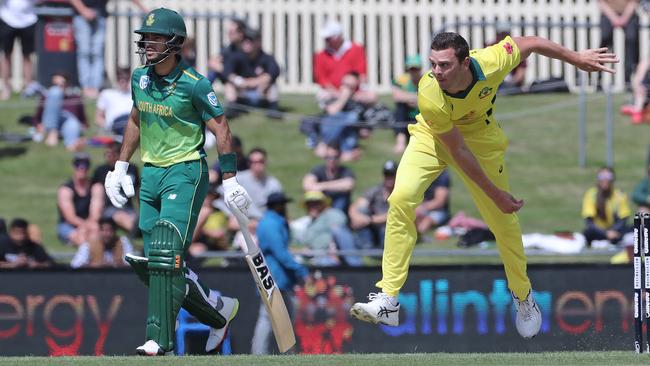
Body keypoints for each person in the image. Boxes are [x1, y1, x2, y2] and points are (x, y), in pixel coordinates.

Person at [349, 31, 618, 339]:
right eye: (433, 64)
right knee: (401, 198)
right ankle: (389, 298)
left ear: (466, 62)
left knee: (504, 221)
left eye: (445, 65)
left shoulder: (490, 61)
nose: (436, 72)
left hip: (481, 138)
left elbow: (530, 42)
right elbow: (457, 151)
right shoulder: (430, 93)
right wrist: (495, 193)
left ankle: (523, 296)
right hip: (433, 138)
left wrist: (577, 58)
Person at [103, 8, 253, 356]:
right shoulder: (140, 78)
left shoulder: (195, 84)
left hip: (185, 171)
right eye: (147, 38)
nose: (148, 44)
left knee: (166, 253)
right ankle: (217, 310)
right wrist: (121, 166)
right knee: (158, 264)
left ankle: (160, 340)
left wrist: (229, 180)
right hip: (151, 174)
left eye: (156, 38)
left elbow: (221, 128)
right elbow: (136, 120)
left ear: (175, 43)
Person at [251, 192, 308, 354]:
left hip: (275, 276)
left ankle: (284, 352)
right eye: (282, 204)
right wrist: (300, 270)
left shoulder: (270, 222)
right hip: (274, 277)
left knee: (277, 317)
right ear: (278, 206)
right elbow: (281, 252)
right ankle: (259, 354)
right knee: (268, 318)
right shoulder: (271, 223)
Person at [69, 0, 146, 98]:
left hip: (99, 16)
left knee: (97, 53)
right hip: (81, 17)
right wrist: (83, 10)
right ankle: (86, 87)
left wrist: (144, 9)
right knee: (84, 53)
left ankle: (95, 88)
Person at [223, 28, 281, 118]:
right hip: (241, 94)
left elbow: (274, 72)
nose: (247, 43)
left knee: (272, 84)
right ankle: (232, 108)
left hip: (261, 94)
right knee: (229, 85)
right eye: (245, 40)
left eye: (250, 40)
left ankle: (273, 110)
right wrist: (240, 81)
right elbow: (227, 73)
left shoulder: (266, 58)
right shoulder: (236, 57)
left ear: (258, 42)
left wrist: (253, 82)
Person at [294, 191, 360, 266]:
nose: (312, 206)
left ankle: (354, 265)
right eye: (309, 204)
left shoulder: (333, 214)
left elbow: (337, 231)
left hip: (331, 255)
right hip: (315, 257)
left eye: (316, 203)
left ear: (323, 204)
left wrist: (314, 248)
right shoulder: (309, 223)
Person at [91, 142, 139, 233]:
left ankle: (139, 230)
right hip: (109, 207)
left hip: (128, 207)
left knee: (135, 218)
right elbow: (95, 193)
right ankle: (136, 233)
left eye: (111, 154)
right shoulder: (101, 171)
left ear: (119, 154)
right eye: (106, 154)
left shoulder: (132, 169)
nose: (108, 157)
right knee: (121, 217)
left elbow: (137, 190)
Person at [57, 153, 103, 247]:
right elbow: (70, 217)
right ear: (74, 166)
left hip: (91, 224)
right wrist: (85, 227)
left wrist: (88, 226)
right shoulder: (65, 189)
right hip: (68, 225)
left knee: (95, 233)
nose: (82, 168)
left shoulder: (96, 187)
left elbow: (95, 214)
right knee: (82, 239)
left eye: (85, 165)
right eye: (78, 164)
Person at [348, 160, 397, 249]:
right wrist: (356, 217)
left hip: (389, 227)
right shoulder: (376, 191)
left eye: (392, 175)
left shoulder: (400, 193)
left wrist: (369, 220)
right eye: (387, 175)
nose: (389, 178)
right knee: (362, 210)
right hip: (372, 226)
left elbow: (393, 215)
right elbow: (355, 206)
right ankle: (366, 246)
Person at [35, 72, 86, 150]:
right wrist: (38, 125)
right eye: (55, 85)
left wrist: (83, 125)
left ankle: (71, 145)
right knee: (55, 92)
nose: (58, 87)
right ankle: (52, 132)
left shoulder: (75, 97)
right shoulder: (46, 97)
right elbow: (38, 116)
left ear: (67, 85)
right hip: (49, 122)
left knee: (73, 123)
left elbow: (82, 118)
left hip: (68, 123)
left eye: (61, 84)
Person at [582, 167, 631, 246]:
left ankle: (611, 241)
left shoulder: (619, 195)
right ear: (598, 179)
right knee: (587, 232)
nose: (605, 179)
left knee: (633, 229)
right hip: (597, 230)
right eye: (602, 176)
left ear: (613, 179)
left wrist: (613, 231)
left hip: (615, 230)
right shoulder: (591, 194)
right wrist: (606, 233)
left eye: (609, 176)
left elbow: (623, 219)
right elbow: (589, 221)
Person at [303, 143, 355, 213]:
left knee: (341, 199)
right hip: (322, 203)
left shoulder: (345, 171)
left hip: (339, 205)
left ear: (339, 157)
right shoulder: (318, 170)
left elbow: (348, 185)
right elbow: (307, 185)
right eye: (328, 157)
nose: (332, 160)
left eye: (335, 157)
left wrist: (321, 186)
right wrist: (336, 186)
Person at [0, 0, 37, 100]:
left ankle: (29, 87)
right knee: (6, 55)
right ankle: (6, 87)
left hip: (29, 20)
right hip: (7, 19)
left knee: (27, 56)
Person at [235, 147, 283, 219]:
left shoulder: (274, 185)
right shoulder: (238, 180)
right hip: (244, 221)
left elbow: (281, 209)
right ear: (249, 163)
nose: (257, 165)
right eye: (254, 162)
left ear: (266, 162)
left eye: (260, 161)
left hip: (266, 222)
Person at [598, 0, 639, 82]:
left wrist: (624, 18)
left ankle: (629, 80)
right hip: (608, 13)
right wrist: (613, 17)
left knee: (631, 40)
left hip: (629, 14)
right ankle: (599, 78)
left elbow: (634, 2)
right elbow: (601, 2)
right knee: (605, 40)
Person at [391, 55, 422, 154]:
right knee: (400, 106)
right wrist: (415, 97)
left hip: (420, 115)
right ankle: (401, 141)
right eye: (411, 69)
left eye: (416, 69)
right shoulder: (402, 80)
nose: (413, 72)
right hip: (405, 115)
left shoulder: (426, 80)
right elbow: (396, 96)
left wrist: (409, 97)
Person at [207, 17, 247, 85]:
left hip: (245, 82)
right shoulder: (230, 48)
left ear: (241, 34)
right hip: (232, 81)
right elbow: (212, 62)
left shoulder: (246, 50)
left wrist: (220, 68)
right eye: (228, 32)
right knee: (212, 72)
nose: (229, 34)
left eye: (232, 32)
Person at [95, 67, 133, 136]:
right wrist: (108, 126)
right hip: (116, 123)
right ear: (116, 79)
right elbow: (98, 117)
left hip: (131, 120)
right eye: (120, 79)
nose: (123, 81)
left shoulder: (134, 94)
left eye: (126, 79)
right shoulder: (107, 93)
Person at [416, 169, 451, 235]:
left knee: (427, 220)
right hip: (423, 206)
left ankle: (418, 236)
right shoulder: (421, 173)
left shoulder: (442, 176)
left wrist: (422, 207)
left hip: (439, 211)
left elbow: (439, 202)